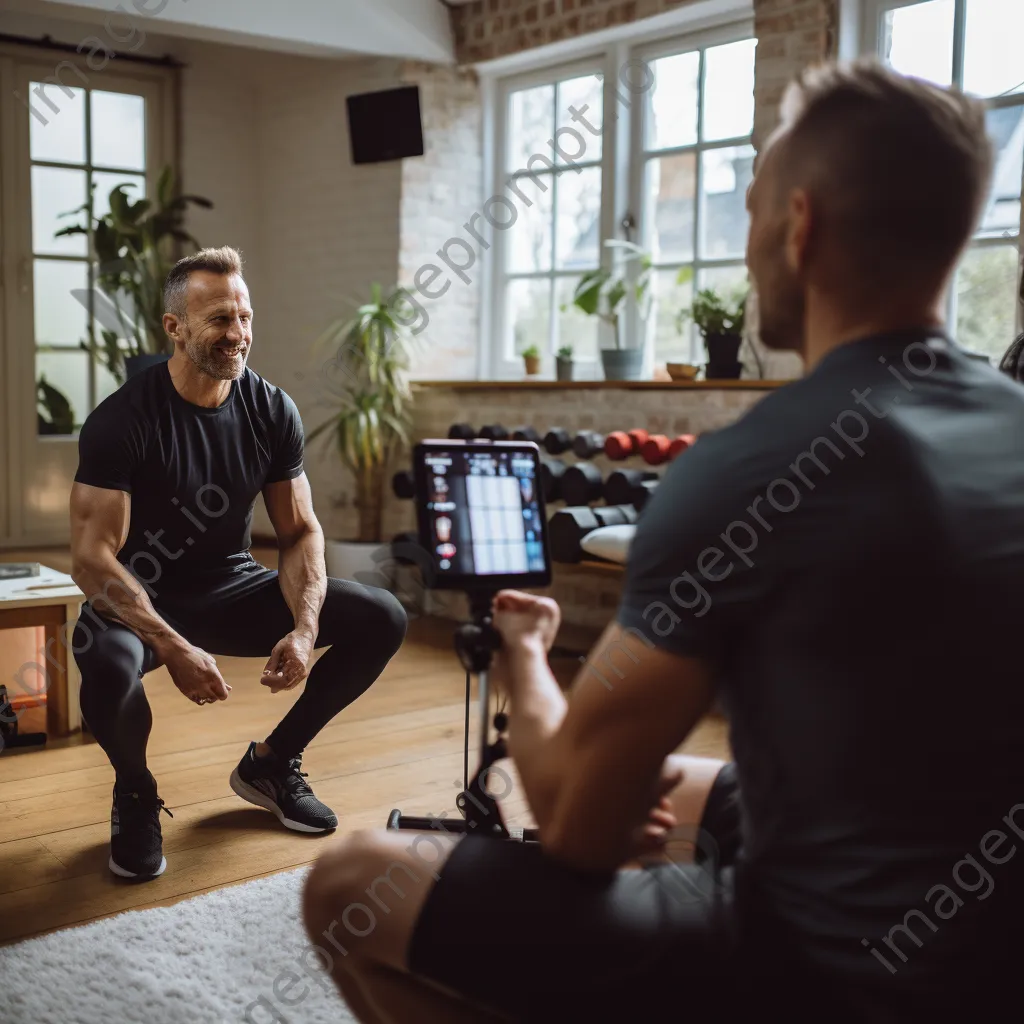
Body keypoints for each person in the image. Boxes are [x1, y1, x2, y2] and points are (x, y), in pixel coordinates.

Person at [301, 62, 1024, 1022]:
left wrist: (524, 655)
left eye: (754, 212)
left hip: (824, 975)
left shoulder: (752, 468)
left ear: (799, 226)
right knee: (681, 781)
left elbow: (575, 832)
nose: (751, 245)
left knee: (350, 881)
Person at [70, 247, 407, 881]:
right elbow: (92, 561)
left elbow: (301, 530)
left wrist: (305, 629)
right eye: (221, 319)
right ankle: (136, 793)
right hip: (144, 594)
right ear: (175, 328)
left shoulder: (271, 409)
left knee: (380, 615)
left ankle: (272, 763)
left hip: (232, 587)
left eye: (245, 317)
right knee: (103, 658)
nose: (238, 334)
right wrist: (170, 646)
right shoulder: (122, 420)